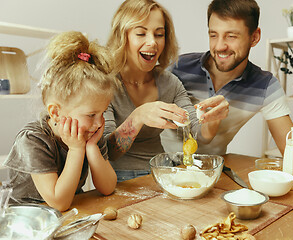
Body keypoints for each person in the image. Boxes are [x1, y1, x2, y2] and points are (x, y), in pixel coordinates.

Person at [161, 0, 293, 180]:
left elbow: (292, 148)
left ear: (254, 37)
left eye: (231, 36)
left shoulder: (264, 86)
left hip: (209, 176)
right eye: (213, 35)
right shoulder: (179, 67)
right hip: (160, 168)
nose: (220, 46)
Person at [104, 0, 229, 182]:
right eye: (141, 33)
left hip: (162, 173)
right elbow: (108, 152)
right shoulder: (105, 84)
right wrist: (138, 116)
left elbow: (197, 133)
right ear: (122, 37)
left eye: (159, 34)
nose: (152, 42)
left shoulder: (170, 83)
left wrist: (212, 118)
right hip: (119, 179)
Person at [3, 31, 117, 211]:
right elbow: (59, 201)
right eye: (91, 114)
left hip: (67, 213)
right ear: (55, 112)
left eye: (103, 112)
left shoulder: (89, 134)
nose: (99, 123)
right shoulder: (33, 139)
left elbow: (108, 187)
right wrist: (76, 149)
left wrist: (92, 148)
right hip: (24, 218)